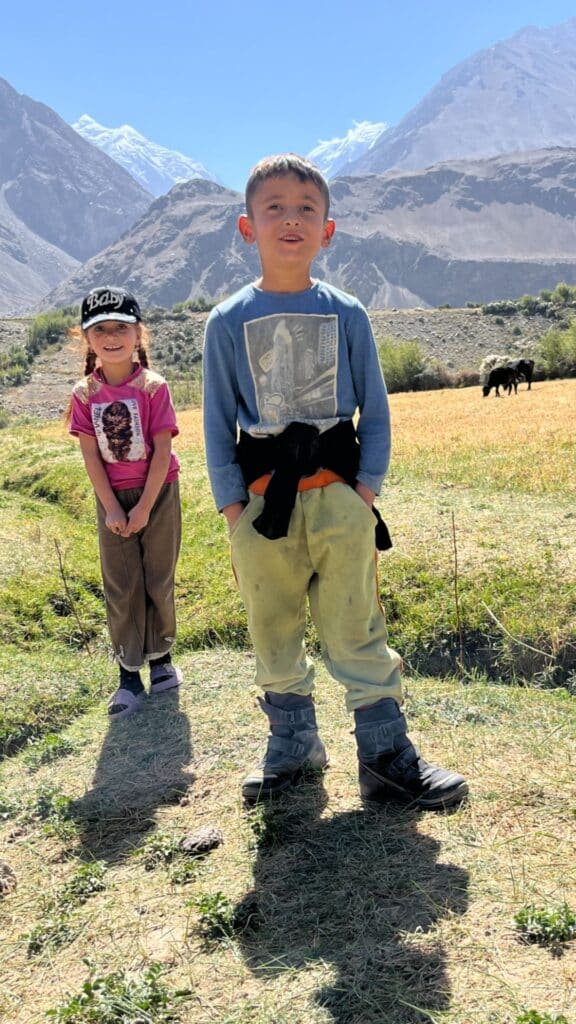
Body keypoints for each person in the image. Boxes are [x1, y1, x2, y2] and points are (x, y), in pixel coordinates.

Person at [202, 154, 468, 809]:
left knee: (357, 626)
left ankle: (386, 760)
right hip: (264, 507)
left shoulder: (348, 313)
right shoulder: (225, 322)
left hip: (341, 499)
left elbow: (374, 410)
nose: (290, 219)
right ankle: (292, 752)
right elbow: (213, 424)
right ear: (246, 227)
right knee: (272, 628)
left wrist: (364, 493)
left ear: (328, 230)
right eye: (275, 208)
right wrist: (234, 510)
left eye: (305, 209)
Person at [68, 286, 183, 718]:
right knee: (122, 586)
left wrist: (144, 507)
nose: (111, 336)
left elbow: (162, 452)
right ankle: (129, 677)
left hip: (159, 494)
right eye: (101, 329)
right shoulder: (84, 395)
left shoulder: (154, 388)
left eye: (121, 327)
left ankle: (163, 661)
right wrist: (115, 509)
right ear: (87, 338)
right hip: (111, 500)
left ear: (138, 334)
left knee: (158, 579)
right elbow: (91, 456)